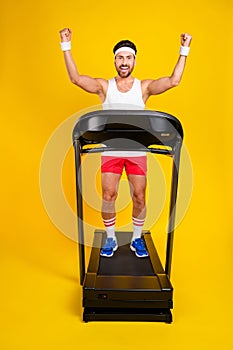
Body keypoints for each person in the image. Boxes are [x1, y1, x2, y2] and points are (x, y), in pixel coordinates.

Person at [59, 28, 192, 258]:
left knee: (139, 196)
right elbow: (76, 79)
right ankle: (110, 238)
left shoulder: (144, 88)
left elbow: (173, 81)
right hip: (111, 151)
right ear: (115, 60)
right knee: (108, 195)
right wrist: (66, 44)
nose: (124, 62)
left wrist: (184, 49)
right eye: (120, 57)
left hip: (137, 152)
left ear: (134, 61)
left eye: (128, 57)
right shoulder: (104, 87)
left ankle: (136, 238)